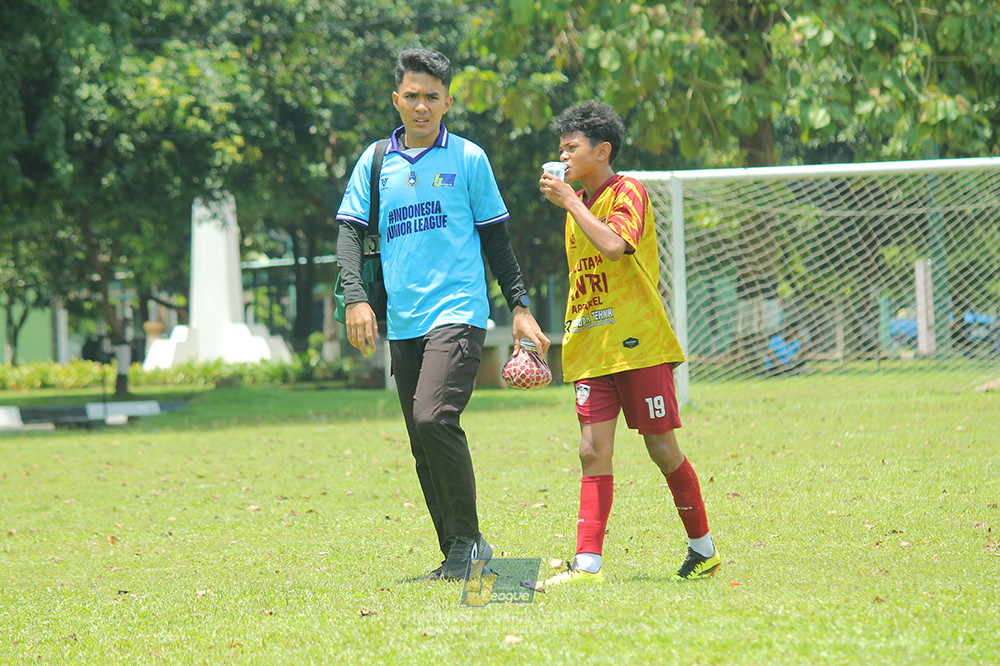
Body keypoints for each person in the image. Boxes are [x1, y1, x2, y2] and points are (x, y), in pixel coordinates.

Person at [336, 48, 550, 580]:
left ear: (448, 101)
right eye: (412, 96)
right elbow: (349, 232)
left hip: (457, 312)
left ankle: (473, 545)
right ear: (396, 100)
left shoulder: (469, 159)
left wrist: (519, 307)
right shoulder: (376, 161)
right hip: (403, 321)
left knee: (435, 417)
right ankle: (456, 554)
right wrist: (356, 297)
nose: (422, 106)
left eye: (432, 97)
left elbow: (496, 242)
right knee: (420, 441)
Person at [534, 100, 719, 589]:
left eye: (572, 149)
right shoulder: (575, 211)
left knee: (661, 449)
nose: (564, 158)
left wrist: (571, 201)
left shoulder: (627, 191)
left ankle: (702, 548)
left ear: (602, 151)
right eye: (561, 151)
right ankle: (588, 562)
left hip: (638, 346)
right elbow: (584, 280)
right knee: (592, 451)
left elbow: (615, 246)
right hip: (592, 348)